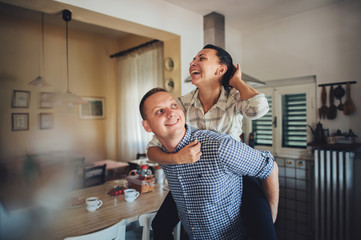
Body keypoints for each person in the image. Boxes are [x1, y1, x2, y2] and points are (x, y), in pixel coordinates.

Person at [148, 44, 277, 240]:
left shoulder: (234, 97)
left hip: (234, 175)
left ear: (221, 69)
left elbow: (259, 108)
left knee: (265, 230)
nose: (193, 62)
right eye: (193, 59)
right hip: (193, 178)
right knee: (159, 225)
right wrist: (176, 158)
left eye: (201, 58)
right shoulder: (182, 104)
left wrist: (237, 82)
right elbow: (152, 149)